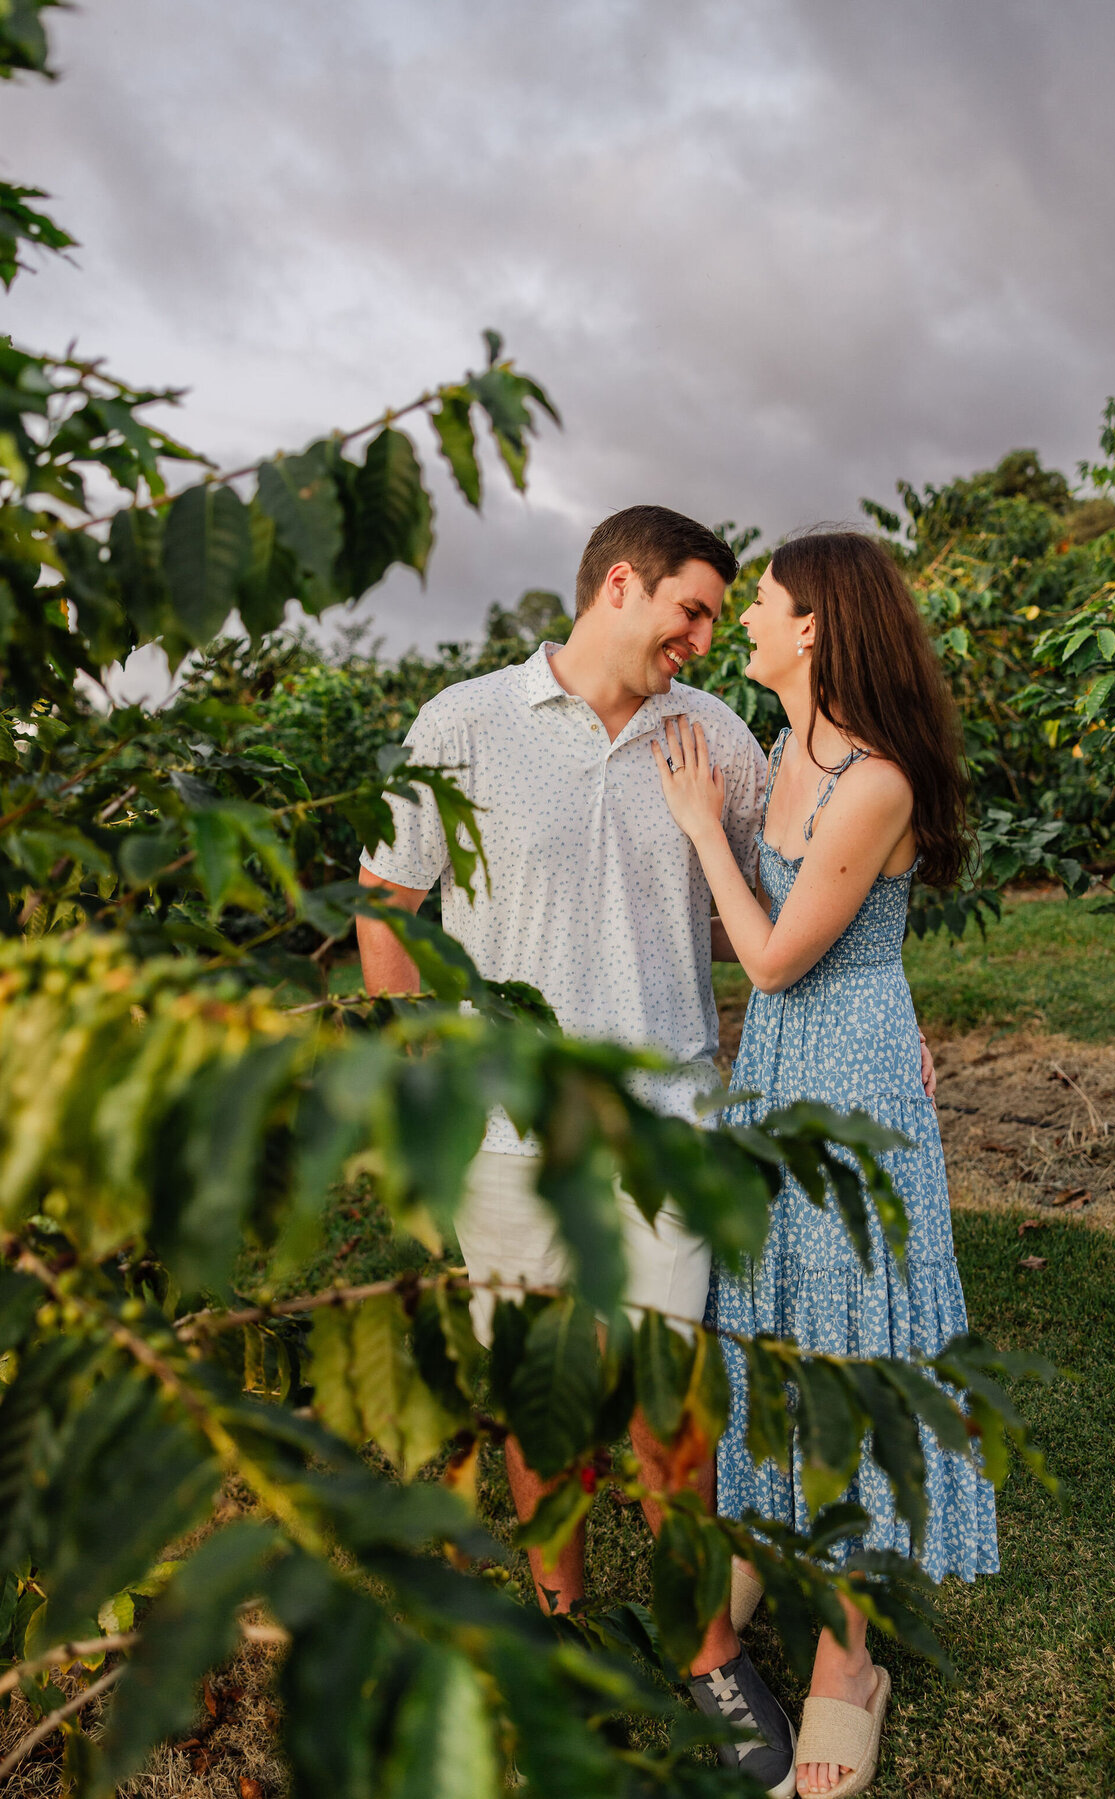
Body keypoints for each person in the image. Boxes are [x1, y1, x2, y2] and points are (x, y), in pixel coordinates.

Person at [358, 505, 797, 1796]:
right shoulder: (465, 721)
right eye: (694, 609)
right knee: (539, 1391)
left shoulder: (714, 735)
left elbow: (774, 902)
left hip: (667, 1127)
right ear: (621, 582)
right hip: (506, 1136)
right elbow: (386, 898)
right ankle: (559, 1626)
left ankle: (704, 1643)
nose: (705, 638)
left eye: (720, 619)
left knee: (675, 1412)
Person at [651, 529, 999, 1799]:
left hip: (844, 1079)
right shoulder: (786, 745)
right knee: (779, 1317)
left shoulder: (876, 779)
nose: (743, 619)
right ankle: (779, 1532)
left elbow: (776, 957)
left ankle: (852, 1656)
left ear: (815, 628)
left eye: (765, 604)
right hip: (783, 1076)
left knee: (848, 1342)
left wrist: (701, 826)